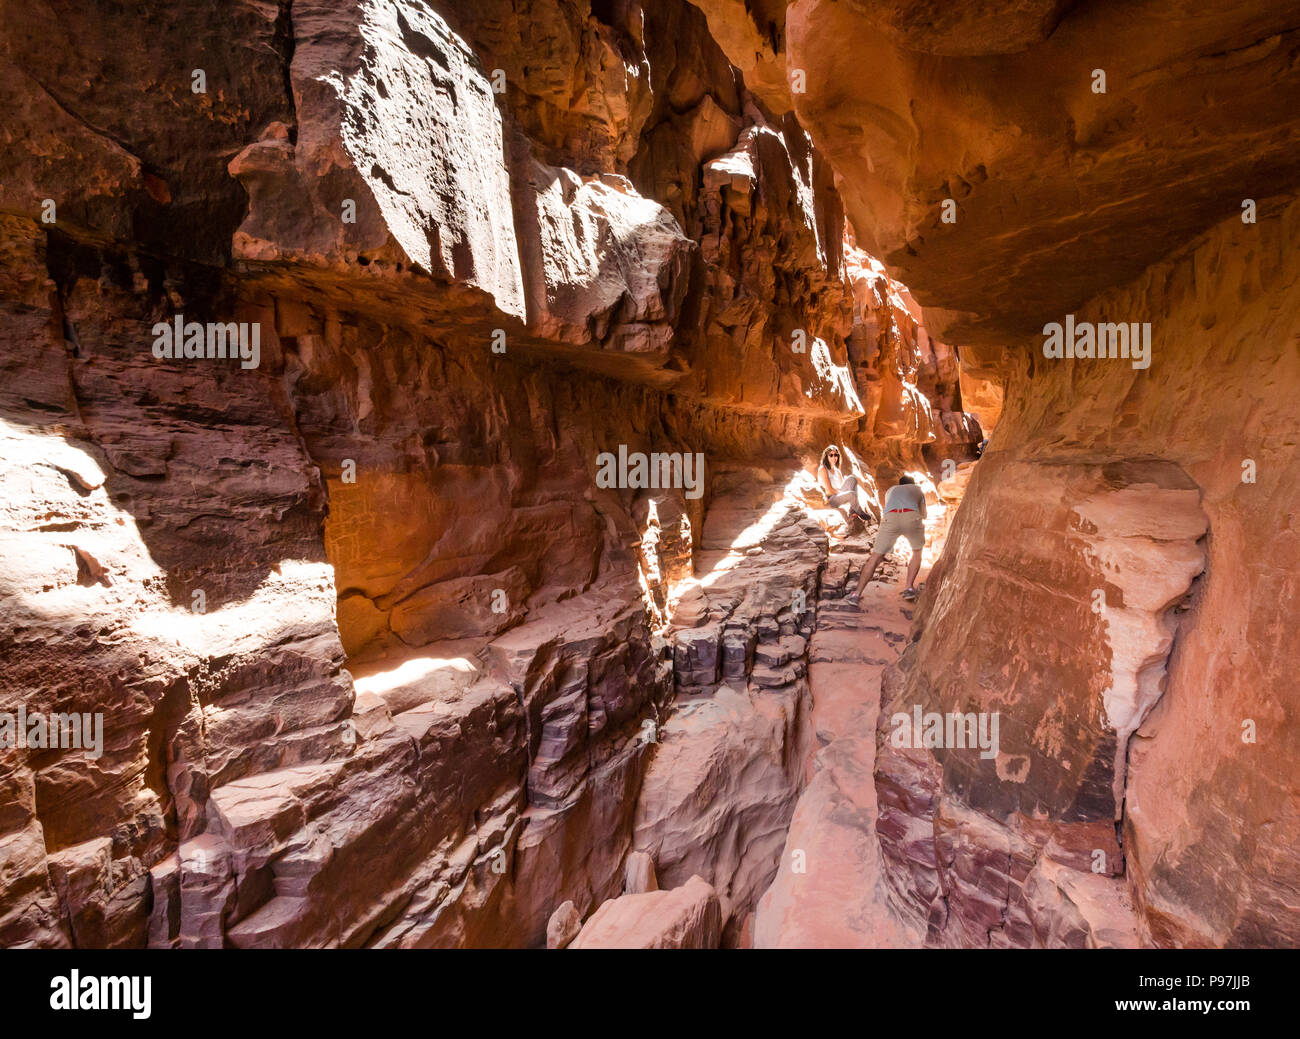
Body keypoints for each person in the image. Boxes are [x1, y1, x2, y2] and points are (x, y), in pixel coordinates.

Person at [847, 475, 926, 604]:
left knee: (875, 557)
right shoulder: (917, 490)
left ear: (900, 484)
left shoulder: (891, 490)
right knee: (917, 552)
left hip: (891, 517)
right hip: (911, 516)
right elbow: (924, 514)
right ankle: (909, 588)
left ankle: (856, 594)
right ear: (913, 483)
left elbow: (888, 507)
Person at [816, 445, 870, 522]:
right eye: (831, 455)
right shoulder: (823, 469)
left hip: (838, 495)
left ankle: (852, 509)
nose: (834, 457)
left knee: (852, 478)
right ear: (826, 457)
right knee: (851, 494)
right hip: (831, 499)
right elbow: (829, 489)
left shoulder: (837, 470)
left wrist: (844, 493)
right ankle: (859, 512)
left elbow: (841, 485)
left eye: (836, 455)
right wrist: (844, 493)